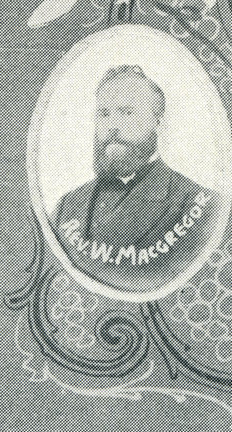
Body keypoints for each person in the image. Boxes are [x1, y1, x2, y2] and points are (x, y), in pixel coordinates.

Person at [52, 65, 223, 294]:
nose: (112, 125)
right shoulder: (65, 208)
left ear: (158, 123)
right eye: (104, 114)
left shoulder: (201, 206)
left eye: (126, 112)